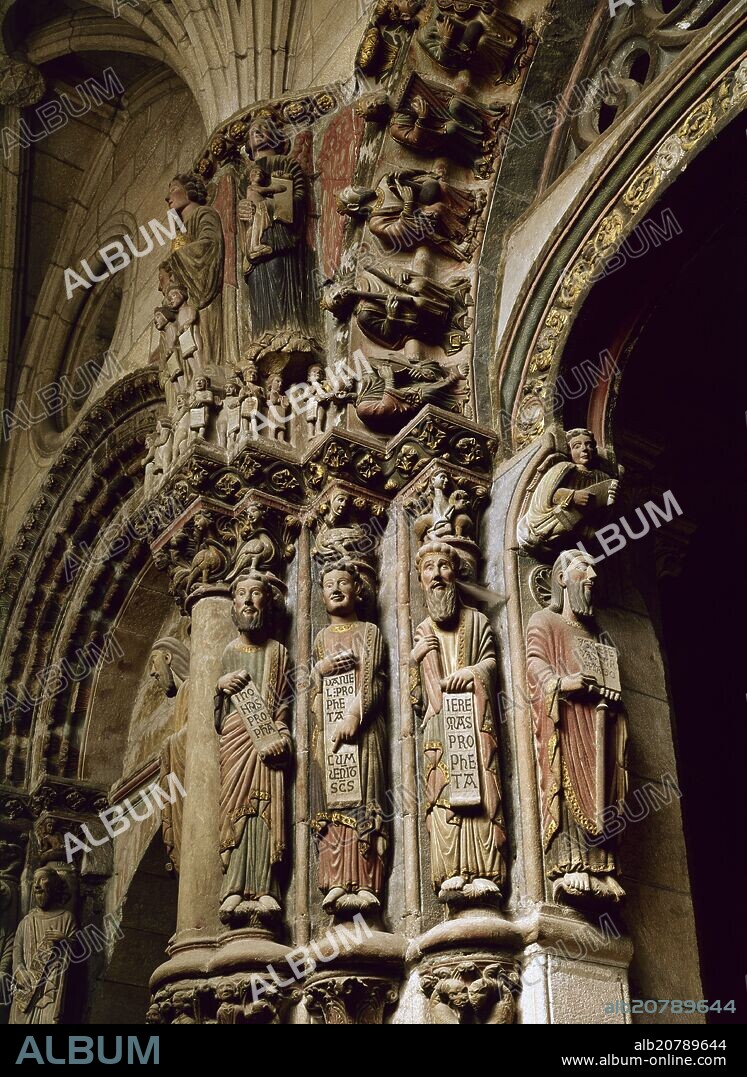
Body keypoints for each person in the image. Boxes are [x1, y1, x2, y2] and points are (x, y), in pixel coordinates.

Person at [526, 549, 627, 904]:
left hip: (597, 722)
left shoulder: (597, 635)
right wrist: (561, 683)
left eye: (595, 570)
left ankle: (601, 867)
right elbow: (534, 664)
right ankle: (570, 866)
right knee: (569, 783)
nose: (593, 576)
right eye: (584, 567)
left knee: (603, 788)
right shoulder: (544, 621)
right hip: (565, 722)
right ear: (561, 578)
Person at [411, 542, 506, 904]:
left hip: (474, 719)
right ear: (421, 580)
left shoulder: (477, 620)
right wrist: (420, 660)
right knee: (442, 794)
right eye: (428, 569)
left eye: (443, 567)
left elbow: (491, 664)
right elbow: (419, 698)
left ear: (456, 574)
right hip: (438, 727)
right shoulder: (422, 630)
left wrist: (471, 672)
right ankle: (450, 871)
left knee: (482, 786)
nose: (436, 575)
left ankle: (483, 870)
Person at [310, 563, 388, 915]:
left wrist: (354, 713)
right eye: (329, 584)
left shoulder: (369, 632)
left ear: (357, 590)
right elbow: (311, 690)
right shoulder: (320, 640)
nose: (336, 589)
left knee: (365, 796)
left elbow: (376, 679)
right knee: (332, 804)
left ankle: (367, 882)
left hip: (363, 731)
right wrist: (320, 671)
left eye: (343, 582)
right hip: (328, 734)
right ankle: (337, 880)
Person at [214, 574, 292, 926]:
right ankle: (233, 887)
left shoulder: (279, 652)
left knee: (264, 809)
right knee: (237, 808)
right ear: (233, 605)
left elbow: (283, 707)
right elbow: (218, 714)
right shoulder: (230, 652)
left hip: (264, 740)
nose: (248, 600)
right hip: (235, 739)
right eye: (242, 594)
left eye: (255, 594)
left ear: (267, 602)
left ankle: (265, 888)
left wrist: (282, 734)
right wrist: (221, 685)